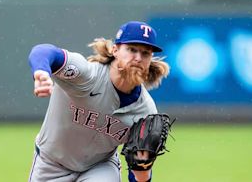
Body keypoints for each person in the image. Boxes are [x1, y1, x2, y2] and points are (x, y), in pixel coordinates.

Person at [27, 21, 170, 182]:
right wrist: (41, 71)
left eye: (145, 53)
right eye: (132, 49)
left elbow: (138, 175)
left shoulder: (145, 111)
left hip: (99, 167)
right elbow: (44, 51)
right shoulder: (86, 75)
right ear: (115, 50)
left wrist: (143, 170)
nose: (138, 57)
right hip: (51, 163)